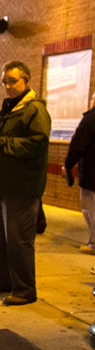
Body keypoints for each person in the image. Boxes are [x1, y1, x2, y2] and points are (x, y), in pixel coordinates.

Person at [0, 61, 51, 306]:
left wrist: (1, 144)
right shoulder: (9, 108)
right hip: (2, 185)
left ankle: (25, 289)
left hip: (22, 187)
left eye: (13, 81)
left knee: (19, 240)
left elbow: (38, 143)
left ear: (27, 80)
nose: (8, 87)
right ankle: (4, 280)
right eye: (5, 82)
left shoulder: (34, 110)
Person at [64, 97, 95, 254]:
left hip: (91, 174)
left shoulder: (90, 120)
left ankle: (94, 244)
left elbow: (77, 145)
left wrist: (68, 165)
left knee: (90, 209)